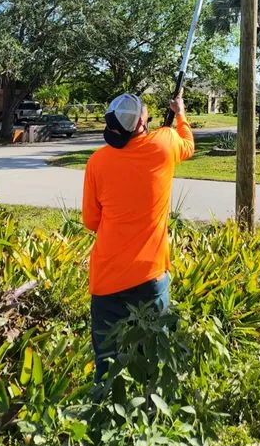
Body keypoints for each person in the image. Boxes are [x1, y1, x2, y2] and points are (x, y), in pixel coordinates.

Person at [82, 89, 195, 379]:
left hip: (107, 278)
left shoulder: (97, 162)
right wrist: (179, 112)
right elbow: (187, 144)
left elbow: (91, 221)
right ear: (142, 123)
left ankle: (103, 415)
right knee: (154, 359)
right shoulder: (165, 144)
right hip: (150, 276)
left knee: (107, 363)